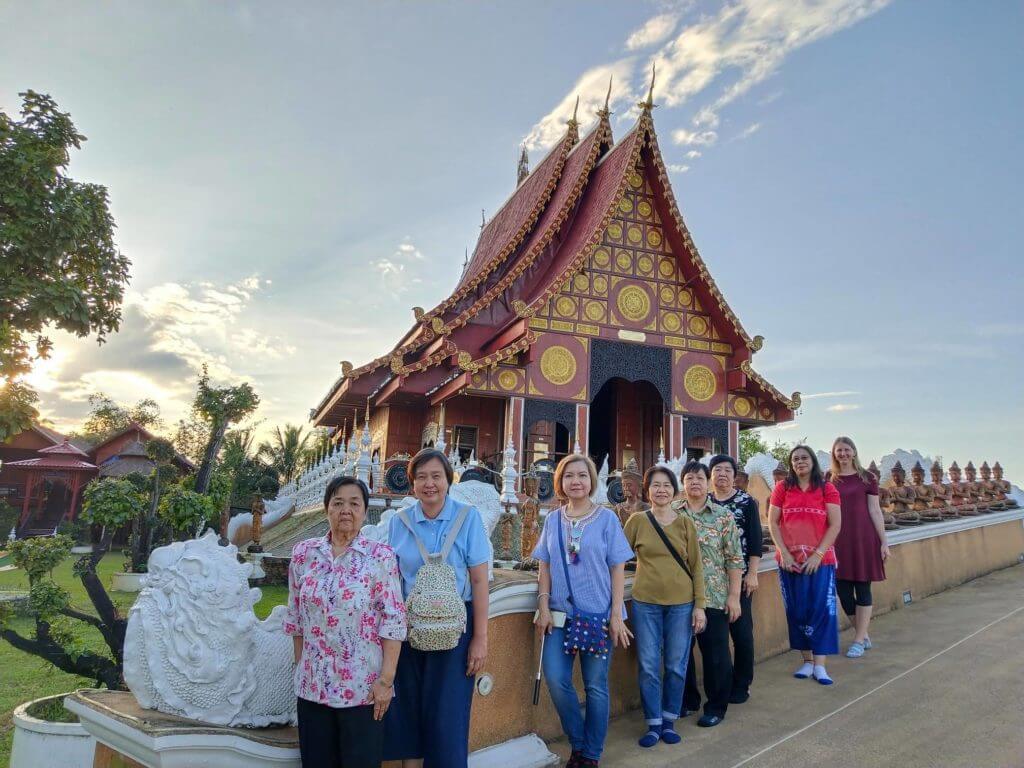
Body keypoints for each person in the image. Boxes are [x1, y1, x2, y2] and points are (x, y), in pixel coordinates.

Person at [285, 476, 407, 768]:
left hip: (363, 690)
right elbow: (296, 618)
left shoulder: (380, 557)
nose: (345, 511)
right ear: (326, 508)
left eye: (354, 503)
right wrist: (302, 668)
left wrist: (385, 682)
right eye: (338, 503)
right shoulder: (304, 554)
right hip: (313, 688)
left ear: (365, 511)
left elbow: (393, 621)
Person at [384, 449, 491, 768]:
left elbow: (480, 580)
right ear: (412, 483)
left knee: (449, 714)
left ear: (448, 480)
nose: (429, 484)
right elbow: (391, 579)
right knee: (409, 710)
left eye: (436, 476)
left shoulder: (467, 517)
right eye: (421, 477)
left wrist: (480, 638)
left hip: (456, 629)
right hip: (408, 628)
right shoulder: (398, 522)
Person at [533, 453, 634, 768]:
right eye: (568, 476)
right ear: (560, 482)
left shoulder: (606, 519)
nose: (575, 481)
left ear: (592, 481)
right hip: (559, 615)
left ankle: (590, 754)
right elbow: (544, 565)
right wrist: (543, 603)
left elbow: (618, 567)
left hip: (597, 616)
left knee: (595, 685)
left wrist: (616, 614)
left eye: (582, 475)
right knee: (556, 677)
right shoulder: (552, 519)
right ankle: (578, 743)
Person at [623, 466, 707, 748]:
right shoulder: (637, 521)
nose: (661, 490)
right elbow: (619, 557)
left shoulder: (685, 523)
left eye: (666, 485)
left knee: (675, 664)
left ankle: (669, 719)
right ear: (648, 490)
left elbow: (696, 567)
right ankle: (653, 722)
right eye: (655, 485)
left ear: (674, 490)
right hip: (646, 603)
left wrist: (700, 606)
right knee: (648, 665)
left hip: (681, 605)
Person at [673, 460, 744, 728]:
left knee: (716, 654)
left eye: (699, 478)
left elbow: (735, 559)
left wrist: (734, 596)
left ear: (707, 483)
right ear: (683, 483)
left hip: (714, 594)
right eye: (689, 478)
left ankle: (716, 706)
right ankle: (687, 699)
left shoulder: (723, 516)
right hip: (679, 596)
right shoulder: (672, 513)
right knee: (681, 652)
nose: (694, 482)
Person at [768, 445, 842, 685]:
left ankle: (820, 665)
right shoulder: (782, 488)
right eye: (795, 459)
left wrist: (818, 555)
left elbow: (835, 525)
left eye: (804, 458)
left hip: (820, 561)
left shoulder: (827, 489)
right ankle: (807, 661)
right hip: (790, 562)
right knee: (797, 610)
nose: (800, 462)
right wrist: (784, 553)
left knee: (821, 610)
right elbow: (773, 522)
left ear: (813, 461)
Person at [828, 436, 889, 658]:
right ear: (834, 454)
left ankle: (858, 639)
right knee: (843, 592)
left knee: (863, 588)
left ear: (854, 452)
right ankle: (862, 633)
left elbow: (875, 510)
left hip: (864, 538)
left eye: (846, 450)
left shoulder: (867, 477)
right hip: (838, 540)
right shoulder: (829, 479)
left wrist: (884, 541)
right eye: (838, 451)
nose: (842, 454)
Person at [708, 454, 762, 704]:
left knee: (741, 632)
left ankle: (743, 683)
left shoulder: (746, 502)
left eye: (727, 470)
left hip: (738, 578)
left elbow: (754, 540)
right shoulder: (704, 502)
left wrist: (752, 573)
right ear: (711, 475)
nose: (722, 474)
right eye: (717, 470)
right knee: (716, 637)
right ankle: (725, 682)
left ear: (734, 475)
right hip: (710, 580)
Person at [613, 457, 650, 527]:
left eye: (629, 485)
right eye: (623, 485)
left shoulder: (646, 507)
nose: (626, 488)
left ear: (639, 486)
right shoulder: (618, 508)